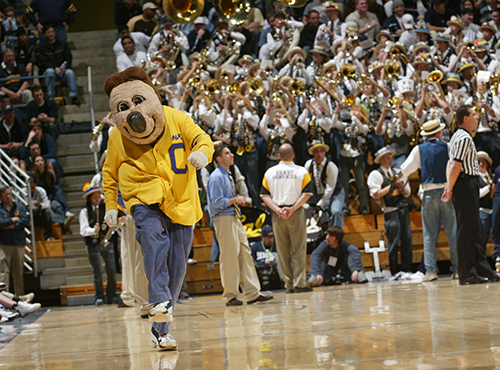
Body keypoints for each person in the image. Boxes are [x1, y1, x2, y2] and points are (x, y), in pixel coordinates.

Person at [207, 144, 273, 306]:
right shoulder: (216, 177)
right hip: (224, 219)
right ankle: (230, 296)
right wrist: (235, 199)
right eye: (227, 153)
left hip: (234, 217)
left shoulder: (227, 174)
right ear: (219, 158)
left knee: (245, 254)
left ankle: (252, 293)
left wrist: (235, 200)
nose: (232, 155)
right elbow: (215, 204)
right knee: (229, 258)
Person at [441, 104, 500, 285]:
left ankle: (480, 269)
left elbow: (451, 164)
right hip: (465, 183)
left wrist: (449, 185)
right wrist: (449, 188)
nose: (477, 117)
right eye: (474, 114)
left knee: (471, 230)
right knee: (467, 230)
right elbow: (456, 165)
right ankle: (467, 273)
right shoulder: (464, 138)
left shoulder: (458, 137)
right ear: (465, 118)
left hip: (465, 182)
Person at [400, 120, 459, 281]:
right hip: (447, 192)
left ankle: (431, 271)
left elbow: (405, 169)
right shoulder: (447, 147)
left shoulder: (419, 149)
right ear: (439, 133)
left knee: (429, 235)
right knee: (452, 233)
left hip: (428, 193)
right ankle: (457, 270)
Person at [261, 143, 314, 294]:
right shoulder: (302, 171)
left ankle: (288, 285)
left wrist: (278, 209)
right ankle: (300, 283)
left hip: (277, 214)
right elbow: (307, 193)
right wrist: (292, 208)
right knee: (298, 249)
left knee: (283, 251)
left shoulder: (270, 172)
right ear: (293, 155)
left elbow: (264, 195)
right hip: (295, 212)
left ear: (278, 156)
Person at [367, 146, 413, 278]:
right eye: (388, 158)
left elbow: (407, 193)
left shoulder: (397, 172)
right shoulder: (376, 174)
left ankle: (407, 270)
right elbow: (375, 194)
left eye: (391, 158)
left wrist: (402, 188)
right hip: (390, 211)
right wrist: (391, 186)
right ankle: (393, 271)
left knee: (407, 240)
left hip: (403, 209)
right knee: (393, 241)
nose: (391, 160)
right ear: (381, 160)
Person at [79, 183, 118, 305]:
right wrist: (92, 231)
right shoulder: (84, 212)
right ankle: (99, 296)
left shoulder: (104, 207)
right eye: (94, 197)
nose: (97, 199)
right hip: (93, 244)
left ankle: (112, 295)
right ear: (90, 198)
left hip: (106, 241)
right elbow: (83, 230)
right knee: (98, 271)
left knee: (111, 269)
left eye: (98, 196)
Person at [304, 140, 345, 228]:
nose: (319, 154)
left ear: (325, 152)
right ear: (313, 153)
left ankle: (337, 235)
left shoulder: (331, 166)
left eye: (322, 151)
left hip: (335, 192)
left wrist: (319, 205)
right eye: (316, 151)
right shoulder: (308, 165)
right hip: (317, 194)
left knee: (336, 211)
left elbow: (330, 189)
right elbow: (305, 184)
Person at [38, 25, 80, 105]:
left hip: (63, 70)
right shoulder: (42, 48)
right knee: (50, 71)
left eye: (52, 32)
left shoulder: (62, 45)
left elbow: (68, 58)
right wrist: (54, 68)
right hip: (51, 71)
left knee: (70, 73)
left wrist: (64, 67)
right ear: (45, 35)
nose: (51, 34)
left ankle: (74, 96)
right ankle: (51, 95)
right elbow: (43, 62)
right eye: (49, 32)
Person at [0, 185, 29, 296]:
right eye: (5, 195)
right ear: (1, 197)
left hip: (19, 244)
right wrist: (13, 220)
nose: (8, 197)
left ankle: (20, 299)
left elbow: (25, 221)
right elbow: (0, 223)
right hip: (4, 244)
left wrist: (11, 226)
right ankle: (4, 299)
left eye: (9, 194)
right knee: (4, 273)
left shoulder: (19, 207)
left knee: (18, 274)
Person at [29, 175, 54, 241]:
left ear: (36, 184)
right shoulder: (21, 192)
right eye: (29, 188)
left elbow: (47, 204)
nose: (31, 189)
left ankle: (49, 236)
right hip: (27, 215)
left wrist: (40, 205)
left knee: (47, 212)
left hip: (38, 214)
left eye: (33, 187)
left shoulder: (41, 191)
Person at [478, 151, 493, 253]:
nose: (481, 164)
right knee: (482, 240)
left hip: (494, 212)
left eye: (483, 162)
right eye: (479, 162)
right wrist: (489, 187)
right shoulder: (475, 179)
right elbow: (477, 194)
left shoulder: (492, 176)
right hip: (483, 212)